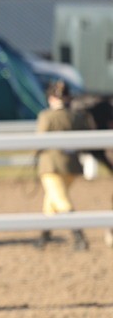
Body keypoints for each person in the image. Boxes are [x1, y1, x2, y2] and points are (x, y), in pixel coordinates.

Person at [35, 80, 94, 250]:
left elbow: (39, 141)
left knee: (61, 201)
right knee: (51, 201)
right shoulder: (76, 117)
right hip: (72, 167)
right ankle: (44, 238)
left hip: (51, 166)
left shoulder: (47, 116)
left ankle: (79, 236)